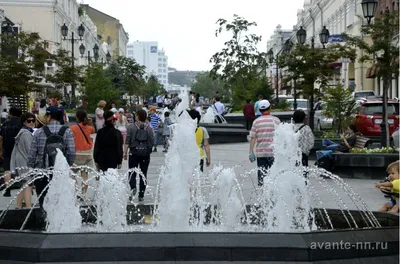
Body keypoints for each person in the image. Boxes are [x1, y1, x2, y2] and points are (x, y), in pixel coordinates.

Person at [27, 106, 76, 207]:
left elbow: (31, 155)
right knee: (62, 204)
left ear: (49, 117)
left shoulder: (39, 132)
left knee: (43, 204)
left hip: (42, 174)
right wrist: (68, 164)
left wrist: (31, 171)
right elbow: (71, 153)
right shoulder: (67, 131)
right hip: (61, 174)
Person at [124, 109, 154, 202]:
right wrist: (148, 151)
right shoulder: (149, 128)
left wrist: (125, 153)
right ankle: (141, 194)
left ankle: (133, 187)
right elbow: (152, 142)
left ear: (137, 116)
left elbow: (127, 141)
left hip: (134, 153)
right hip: (145, 154)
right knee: (143, 174)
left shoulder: (131, 127)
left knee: (132, 172)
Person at [249, 100, 280, 186]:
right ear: (270, 108)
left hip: (261, 154)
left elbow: (253, 138)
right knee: (274, 176)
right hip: (273, 153)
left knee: (262, 176)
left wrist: (251, 152)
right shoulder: (276, 120)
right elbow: (280, 136)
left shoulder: (256, 122)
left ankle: (263, 195)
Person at [10, 113, 35, 209]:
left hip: (20, 160)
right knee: (28, 184)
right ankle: (28, 207)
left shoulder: (22, 132)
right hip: (25, 161)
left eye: (33, 120)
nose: (31, 122)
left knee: (22, 185)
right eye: (29, 121)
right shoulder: (26, 134)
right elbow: (30, 150)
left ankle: (19, 206)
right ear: (24, 122)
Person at [70, 110, 95, 198]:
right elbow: (93, 131)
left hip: (76, 154)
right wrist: (90, 123)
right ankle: (84, 194)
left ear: (77, 118)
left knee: (72, 174)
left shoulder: (72, 128)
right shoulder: (89, 128)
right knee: (85, 175)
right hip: (87, 154)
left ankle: (76, 191)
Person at [1, 107, 22, 197]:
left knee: (7, 169)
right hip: (19, 149)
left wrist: (0, 150)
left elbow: (1, 138)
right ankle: (23, 190)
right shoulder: (21, 124)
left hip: (7, 148)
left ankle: (7, 189)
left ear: (10, 114)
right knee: (21, 168)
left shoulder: (5, 123)